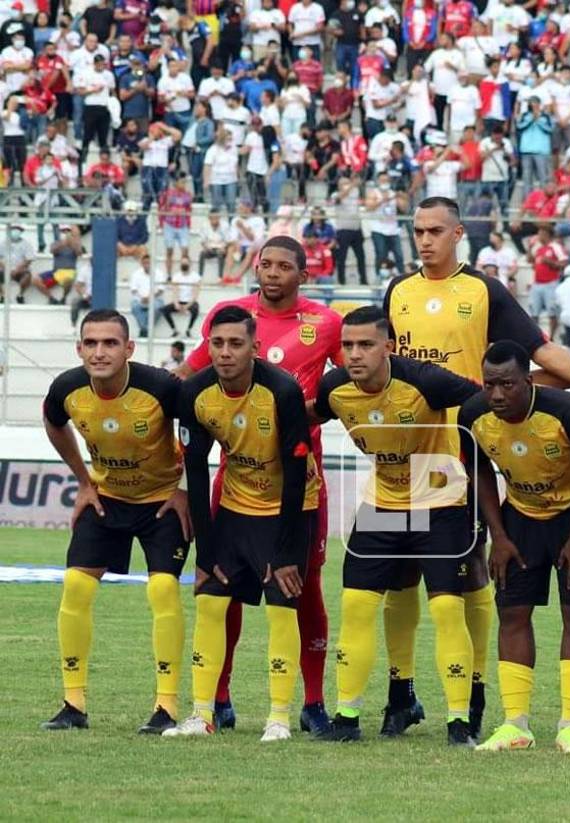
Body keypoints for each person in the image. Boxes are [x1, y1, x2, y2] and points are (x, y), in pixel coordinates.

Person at [382, 196, 570, 739]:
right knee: (398, 576)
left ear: (458, 233)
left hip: (465, 456)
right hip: (406, 457)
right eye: (418, 231)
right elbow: (381, 357)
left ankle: (476, 701)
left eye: (435, 231)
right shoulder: (398, 290)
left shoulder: (484, 291)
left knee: (472, 578)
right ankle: (401, 693)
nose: (425, 240)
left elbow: (542, 353)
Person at [177, 237, 342, 737]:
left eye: (283, 266)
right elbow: (188, 376)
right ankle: (216, 701)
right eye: (265, 264)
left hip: (299, 481)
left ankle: (310, 702)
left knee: (302, 587)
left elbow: (353, 376)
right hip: (236, 479)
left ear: (302, 274)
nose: (272, 273)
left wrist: (319, 410)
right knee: (219, 589)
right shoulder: (229, 320)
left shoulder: (326, 323)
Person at [308, 307, 486, 746]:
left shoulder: (425, 381)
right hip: (383, 500)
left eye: (366, 345)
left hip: (439, 496)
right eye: (347, 345)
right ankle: (347, 717)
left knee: (446, 608)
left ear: (388, 347)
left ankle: (459, 722)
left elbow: (485, 402)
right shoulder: (334, 387)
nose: (354, 354)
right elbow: (307, 416)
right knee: (356, 604)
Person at [166, 306, 319, 742]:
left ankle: (278, 718)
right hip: (235, 508)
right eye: (217, 343)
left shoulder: (282, 390)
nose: (225, 352)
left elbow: (296, 474)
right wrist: (206, 552)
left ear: (255, 347)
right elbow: (196, 471)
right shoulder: (194, 392)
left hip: (289, 509)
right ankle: (201, 714)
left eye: (236, 344)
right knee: (210, 601)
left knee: (281, 604)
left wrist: (287, 552)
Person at [40, 309, 190, 735]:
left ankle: (165, 707)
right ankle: (73, 704)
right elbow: (53, 422)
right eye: (91, 343)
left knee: (163, 589)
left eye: (110, 343)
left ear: (129, 349)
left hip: (161, 502)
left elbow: (196, 430)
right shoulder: (66, 389)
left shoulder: (160, 387)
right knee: (75, 585)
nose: (99, 352)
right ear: (79, 348)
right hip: (106, 499)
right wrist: (83, 481)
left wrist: (184, 491)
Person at [459, 341, 570, 753]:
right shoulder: (471, 415)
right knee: (511, 613)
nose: (496, 394)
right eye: (489, 384)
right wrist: (499, 535)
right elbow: (479, 472)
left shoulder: (569, 412)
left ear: (528, 380)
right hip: (519, 519)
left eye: (507, 384)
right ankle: (516, 725)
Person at [160, 261, 201, 338]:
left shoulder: (196, 277)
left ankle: (188, 330)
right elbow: (175, 291)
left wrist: (187, 306)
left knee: (196, 309)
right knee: (164, 309)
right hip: (179, 301)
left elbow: (195, 295)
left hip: (190, 302)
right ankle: (174, 330)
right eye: (183, 263)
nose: (184, 264)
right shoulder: (176, 276)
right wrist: (176, 303)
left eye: (186, 263)